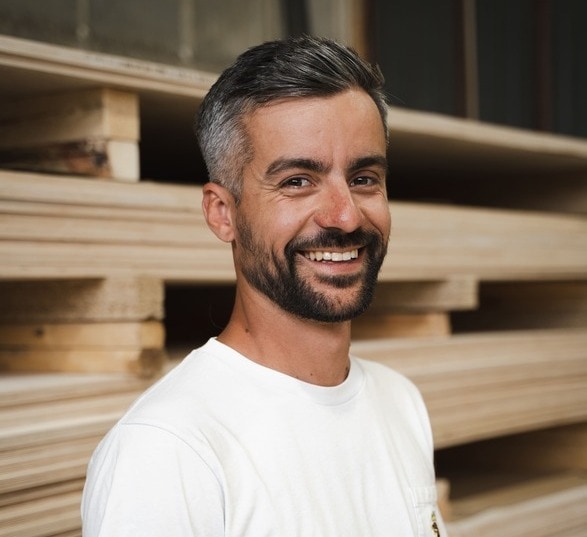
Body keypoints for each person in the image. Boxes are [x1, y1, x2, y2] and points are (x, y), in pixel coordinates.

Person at [81, 35, 447, 537]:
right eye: (297, 181)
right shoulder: (168, 451)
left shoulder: (401, 402)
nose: (344, 215)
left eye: (363, 178)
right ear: (222, 213)